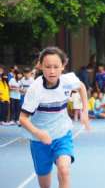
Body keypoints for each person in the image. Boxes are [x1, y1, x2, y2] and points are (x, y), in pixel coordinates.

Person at [19, 46, 90, 188]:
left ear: (63, 66)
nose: (52, 71)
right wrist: (39, 133)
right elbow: (23, 118)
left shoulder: (68, 80)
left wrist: (85, 112)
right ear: (40, 66)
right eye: (48, 67)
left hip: (62, 134)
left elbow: (81, 87)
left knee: (64, 170)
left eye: (56, 67)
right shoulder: (35, 89)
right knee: (45, 185)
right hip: (39, 141)